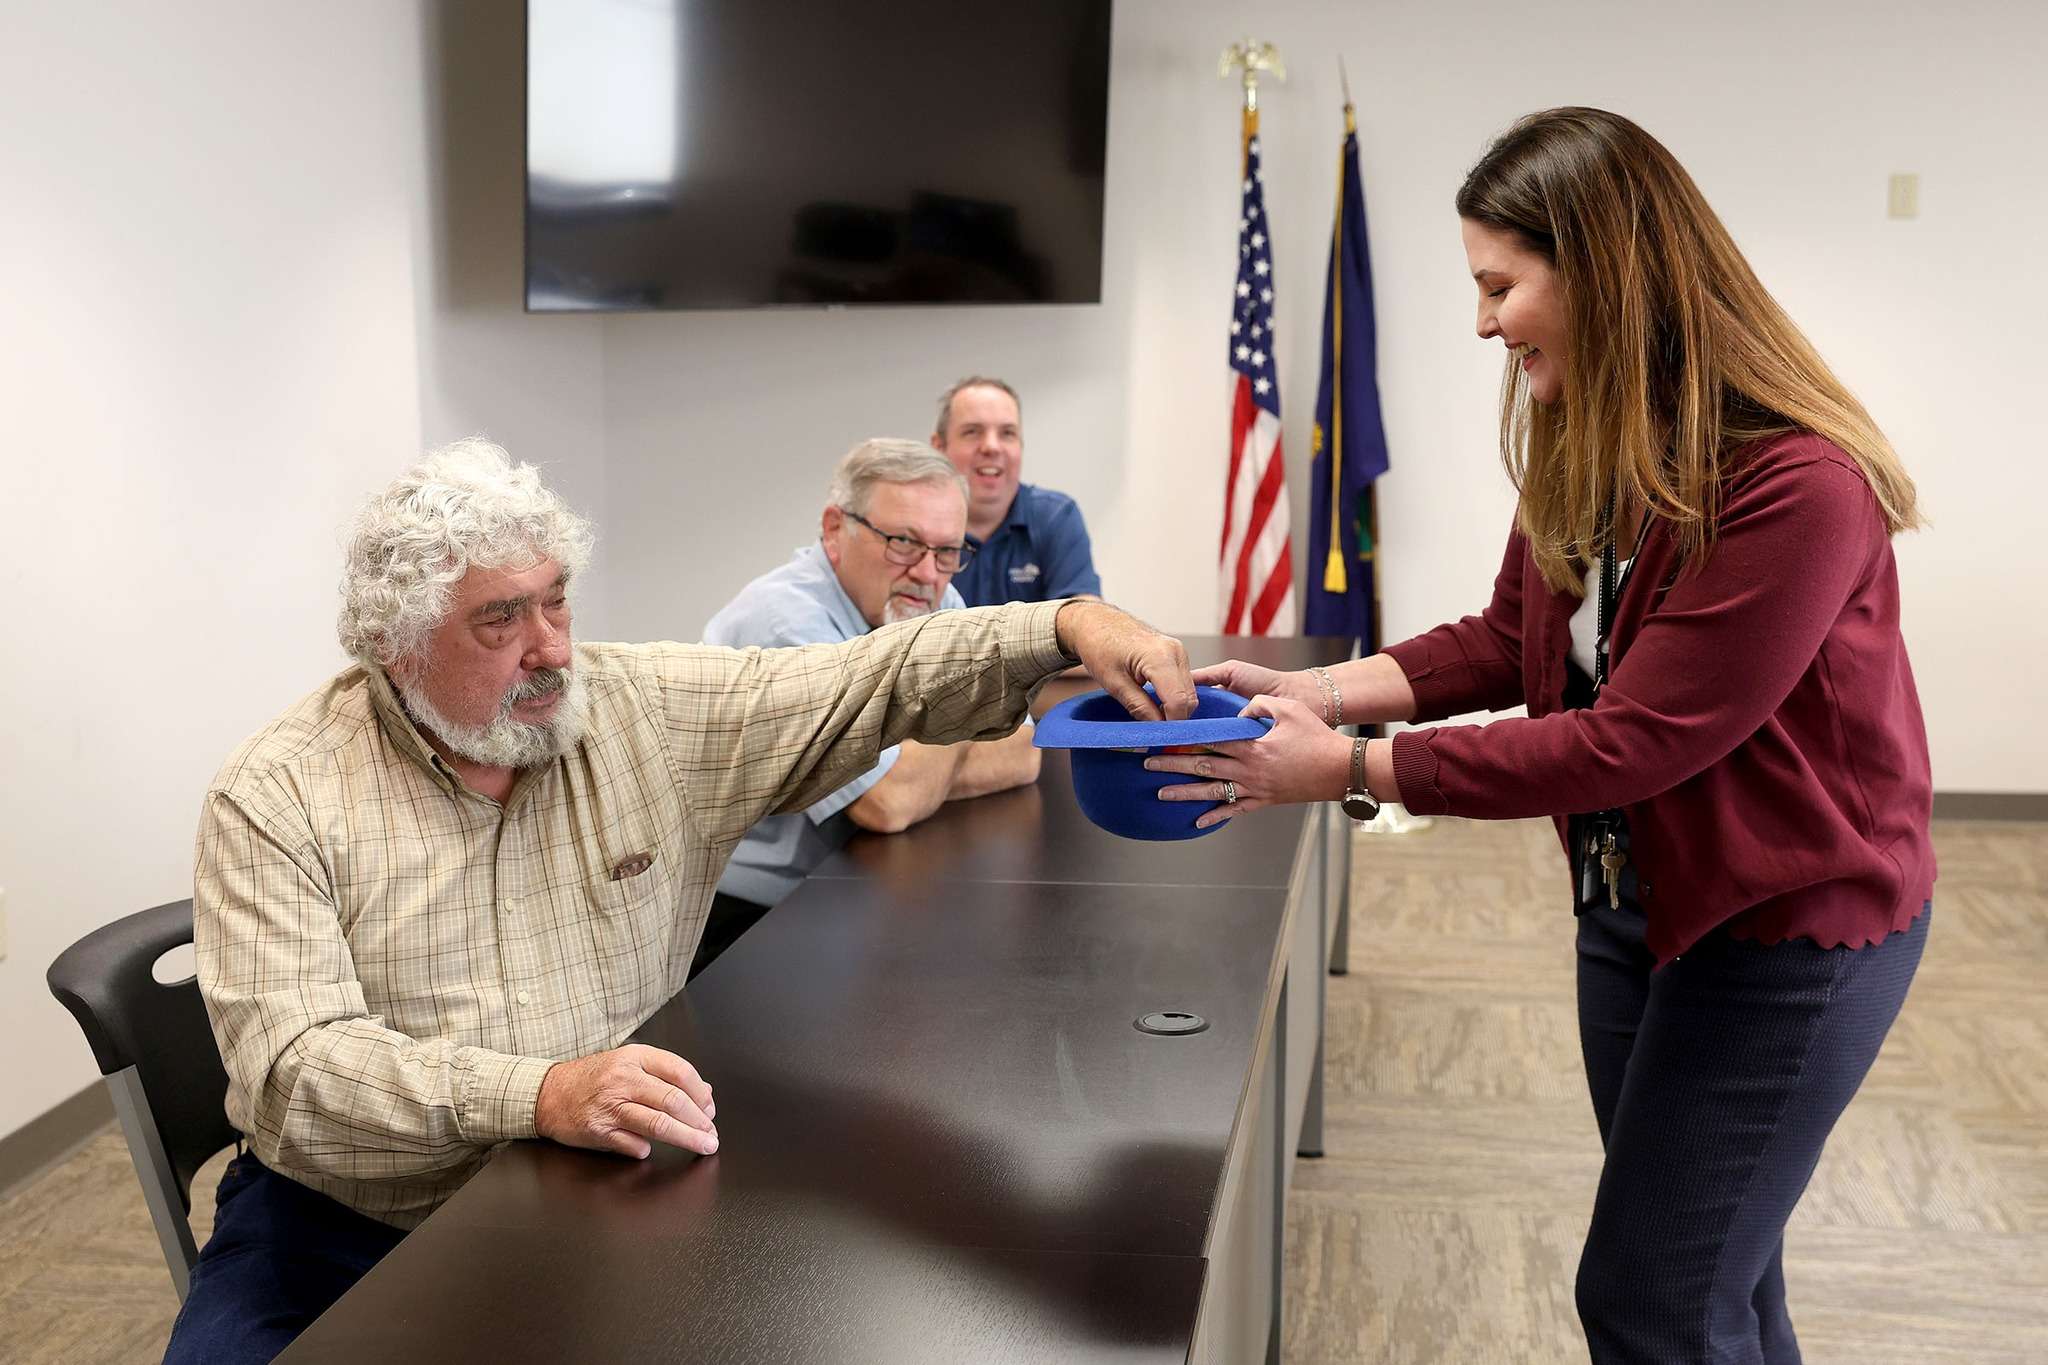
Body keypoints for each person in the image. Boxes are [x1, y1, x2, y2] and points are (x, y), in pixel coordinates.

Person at [1152, 108, 1933, 1364]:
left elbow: (1634, 739)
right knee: (1717, 1288)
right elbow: (1509, 635)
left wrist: (1347, 772)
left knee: (1650, 1297)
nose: (1481, 324)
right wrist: (1327, 695)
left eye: (1499, 286)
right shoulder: (1593, 436)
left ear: (1604, 270)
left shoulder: (1797, 484)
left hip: (1789, 930)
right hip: (1634, 904)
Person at [172, 438, 1193, 1364]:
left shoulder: (641, 711)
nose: (551, 647)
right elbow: (297, 1070)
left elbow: (870, 679)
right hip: (345, 1222)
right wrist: (540, 1094)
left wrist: (1065, 624)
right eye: (499, 618)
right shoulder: (281, 792)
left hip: (598, 1193)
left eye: (556, 599)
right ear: (396, 641)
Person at [694, 439, 1040, 972]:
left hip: (848, 885)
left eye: (948, 551)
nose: (928, 573)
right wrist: (957, 713)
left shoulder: (929, 595)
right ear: (836, 530)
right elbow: (888, 801)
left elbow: (1023, 750)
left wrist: (925, 747)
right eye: (903, 542)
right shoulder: (786, 627)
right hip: (743, 921)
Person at [929, 375, 1102, 605]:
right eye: (973, 432)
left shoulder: (1056, 517)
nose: (991, 446)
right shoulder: (914, 525)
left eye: (1007, 433)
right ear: (939, 448)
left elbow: (1083, 614)